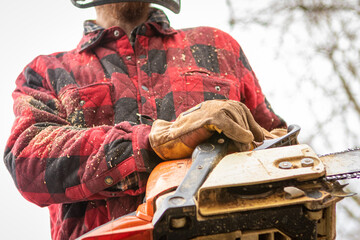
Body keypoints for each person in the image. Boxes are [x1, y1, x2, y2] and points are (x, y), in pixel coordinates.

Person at [3, 0, 286, 239]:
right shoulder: (49, 71)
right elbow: (29, 160)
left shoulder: (216, 48)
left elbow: (278, 148)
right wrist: (153, 143)